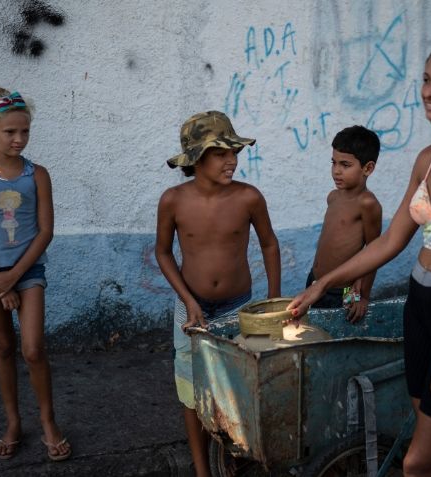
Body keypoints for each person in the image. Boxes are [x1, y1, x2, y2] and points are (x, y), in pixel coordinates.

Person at [290, 29, 431, 476]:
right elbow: (391, 241)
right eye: (426, 79)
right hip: (422, 307)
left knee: (417, 463)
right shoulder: (428, 158)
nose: (429, 92)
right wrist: (324, 283)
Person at [155, 110, 281, 476]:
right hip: (190, 307)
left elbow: (270, 246)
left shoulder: (248, 198)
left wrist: (271, 304)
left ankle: (238, 453)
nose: (231, 160)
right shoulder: (173, 200)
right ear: (197, 158)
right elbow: (163, 252)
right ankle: (201, 469)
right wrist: (189, 301)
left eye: (234, 152)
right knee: (191, 392)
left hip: (239, 306)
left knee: (242, 382)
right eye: (220, 153)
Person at [0, 87, 71, 461]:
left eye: (25, 132)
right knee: (4, 347)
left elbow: (45, 231)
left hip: (27, 269)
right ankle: (13, 422)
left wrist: (14, 276)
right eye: (10, 132)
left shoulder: (38, 175)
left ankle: (49, 422)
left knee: (33, 349)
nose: (19, 139)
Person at [306, 125, 383, 322]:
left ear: (368, 168)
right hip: (315, 281)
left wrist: (362, 295)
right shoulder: (333, 197)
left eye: (345, 165)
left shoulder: (367, 203)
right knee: (314, 332)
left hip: (345, 290)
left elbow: (374, 252)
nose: (336, 171)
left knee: (339, 333)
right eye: (334, 163)